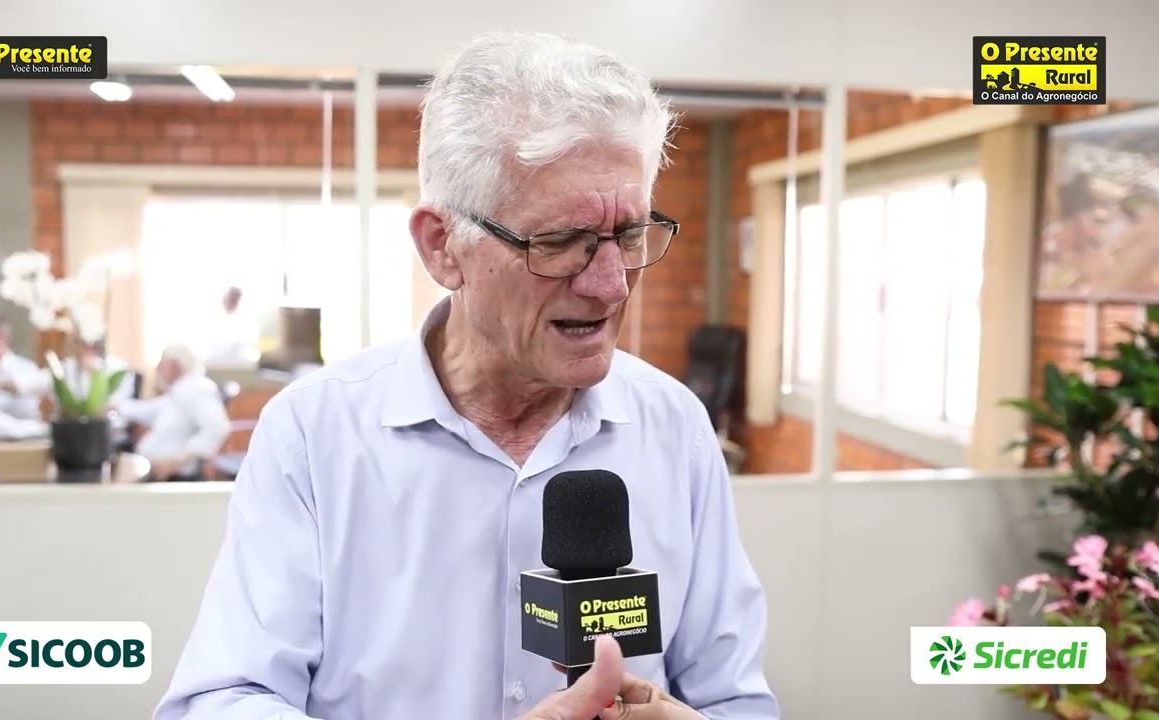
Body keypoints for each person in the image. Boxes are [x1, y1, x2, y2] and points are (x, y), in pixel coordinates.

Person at [155, 31, 777, 720]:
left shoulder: (675, 428)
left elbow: (735, 700)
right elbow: (226, 699)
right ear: (442, 246)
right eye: (560, 242)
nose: (610, 285)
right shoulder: (315, 434)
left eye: (629, 235)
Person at [113, 344, 230, 481]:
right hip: (154, 471)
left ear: (175, 365)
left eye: (162, 363)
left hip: (173, 476)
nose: (157, 370)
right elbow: (151, 410)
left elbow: (218, 428)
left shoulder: (196, 389)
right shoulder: (180, 389)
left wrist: (176, 460)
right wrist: (116, 407)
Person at [202, 285, 261, 366]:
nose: (232, 302)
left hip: (240, 366)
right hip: (215, 365)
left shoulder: (247, 322)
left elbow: (249, 350)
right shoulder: (212, 319)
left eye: (235, 299)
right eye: (231, 298)